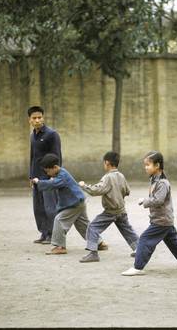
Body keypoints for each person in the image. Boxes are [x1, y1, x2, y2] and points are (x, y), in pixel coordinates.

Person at [121, 151, 177, 276]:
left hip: (161, 221)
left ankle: (138, 267)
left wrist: (144, 201)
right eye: (145, 165)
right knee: (175, 244)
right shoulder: (155, 180)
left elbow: (158, 200)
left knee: (145, 239)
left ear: (157, 166)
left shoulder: (162, 183)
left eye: (148, 165)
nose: (146, 167)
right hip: (164, 219)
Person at [32, 153, 105, 255]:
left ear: (55, 167)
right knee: (82, 225)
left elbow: (53, 184)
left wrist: (39, 182)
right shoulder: (60, 174)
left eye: (49, 171)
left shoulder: (62, 175)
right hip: (79, 201)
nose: (48, 173)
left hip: (75, 203)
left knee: (59, 220)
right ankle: (99, 243)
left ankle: (60, 246)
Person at [78, 151, 139, 263]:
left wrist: (84, 186)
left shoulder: (107, 178)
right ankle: (140, 249)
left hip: (111, 211)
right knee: (127, 229)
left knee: (92, 227)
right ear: (118, 164)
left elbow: (97, 190)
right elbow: (127, 191)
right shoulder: (121, 175)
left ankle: (93, 253)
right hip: (121, 209)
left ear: (106, 163)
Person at [28, 106, 62, 245]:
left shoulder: (51, 134)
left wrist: (54, 175)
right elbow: (33, 157)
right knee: (38, 207)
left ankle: (51, 234)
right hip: (36, 178)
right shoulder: (32, 135)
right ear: (29, 120)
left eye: (39, 117)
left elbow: (57, 156)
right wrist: (31, 176)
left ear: (43, 118)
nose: (37, 120)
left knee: (50, 207)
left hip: (48, 178)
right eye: (34, 118)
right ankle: (43, 233)